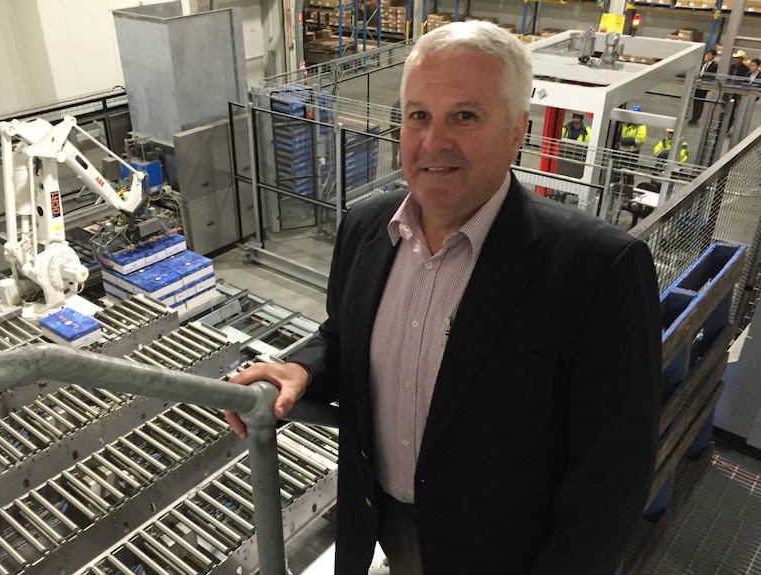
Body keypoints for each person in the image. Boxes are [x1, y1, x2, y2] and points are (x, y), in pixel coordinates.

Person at [226, 20, 662, 575]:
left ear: (515, 132)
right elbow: (343, 337)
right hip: (384, 526)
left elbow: (611, 475)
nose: (434, 142)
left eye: (464, 115)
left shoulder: (596, 269)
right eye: (418, 116)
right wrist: (301, 369)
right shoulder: (364, 228)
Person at [617, 105, 647, 186]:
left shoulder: (641, 126)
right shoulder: (623, 123)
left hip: (632, 154)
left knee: (629, 176)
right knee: (616, 174)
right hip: (620, 152)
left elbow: (640, 140)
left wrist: (624, 141)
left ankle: (627, 193)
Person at [689, 49, 718, 125]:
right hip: (698, 84)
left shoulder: (714, 66)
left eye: (710, 55)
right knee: (696, 100)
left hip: (705, 85)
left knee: (700, 101)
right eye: (708, 54)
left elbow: (711, 76)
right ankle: (694, 116)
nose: (708, 56)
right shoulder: (703, 63)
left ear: (714, 56)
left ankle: (697, 117)